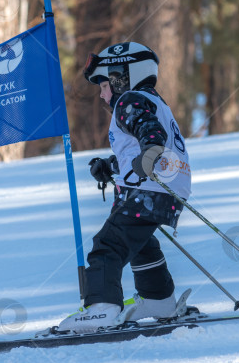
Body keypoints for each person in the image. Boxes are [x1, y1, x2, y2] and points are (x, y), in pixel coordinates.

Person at [57, 42, 192, 333]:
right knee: (141, 245)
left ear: (122, 76)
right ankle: (159, 300)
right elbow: (139, 150)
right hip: (166, 188)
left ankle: (101, 308)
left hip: (149, 192)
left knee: (107, 245)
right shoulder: (151, 100)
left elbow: (150, 133)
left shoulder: (129, 100)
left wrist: (151, 151)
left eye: (105, 85)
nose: (103, 96)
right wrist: (111, 166)